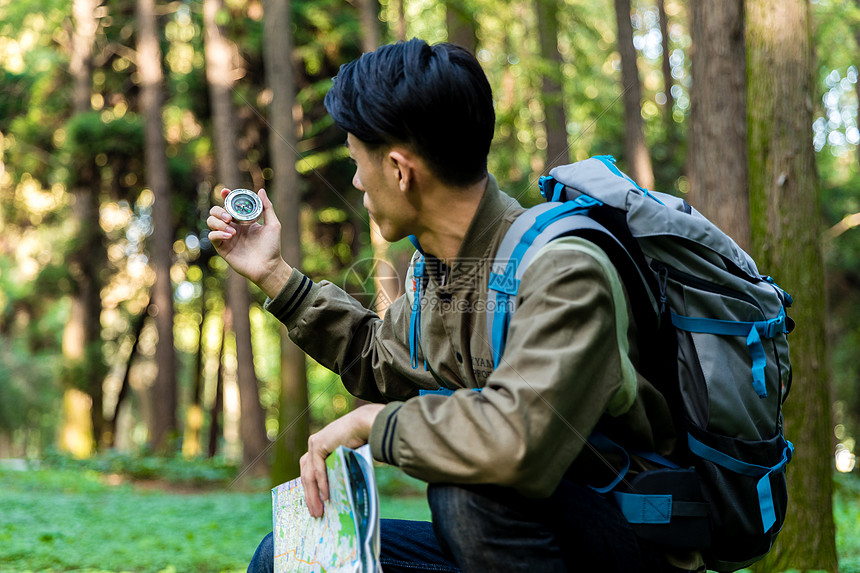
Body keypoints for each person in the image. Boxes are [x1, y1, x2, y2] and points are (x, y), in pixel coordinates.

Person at [207, 39, 703, 573]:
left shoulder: (564, 269)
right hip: (529, 537)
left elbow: (517, 442)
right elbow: (380, 358)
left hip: (629, 538)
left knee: (467, 489)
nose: (355, 181)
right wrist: (274, 275)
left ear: (400, 170)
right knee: (280, 560)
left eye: (356, 162)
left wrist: (376, 424)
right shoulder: (443, 271)